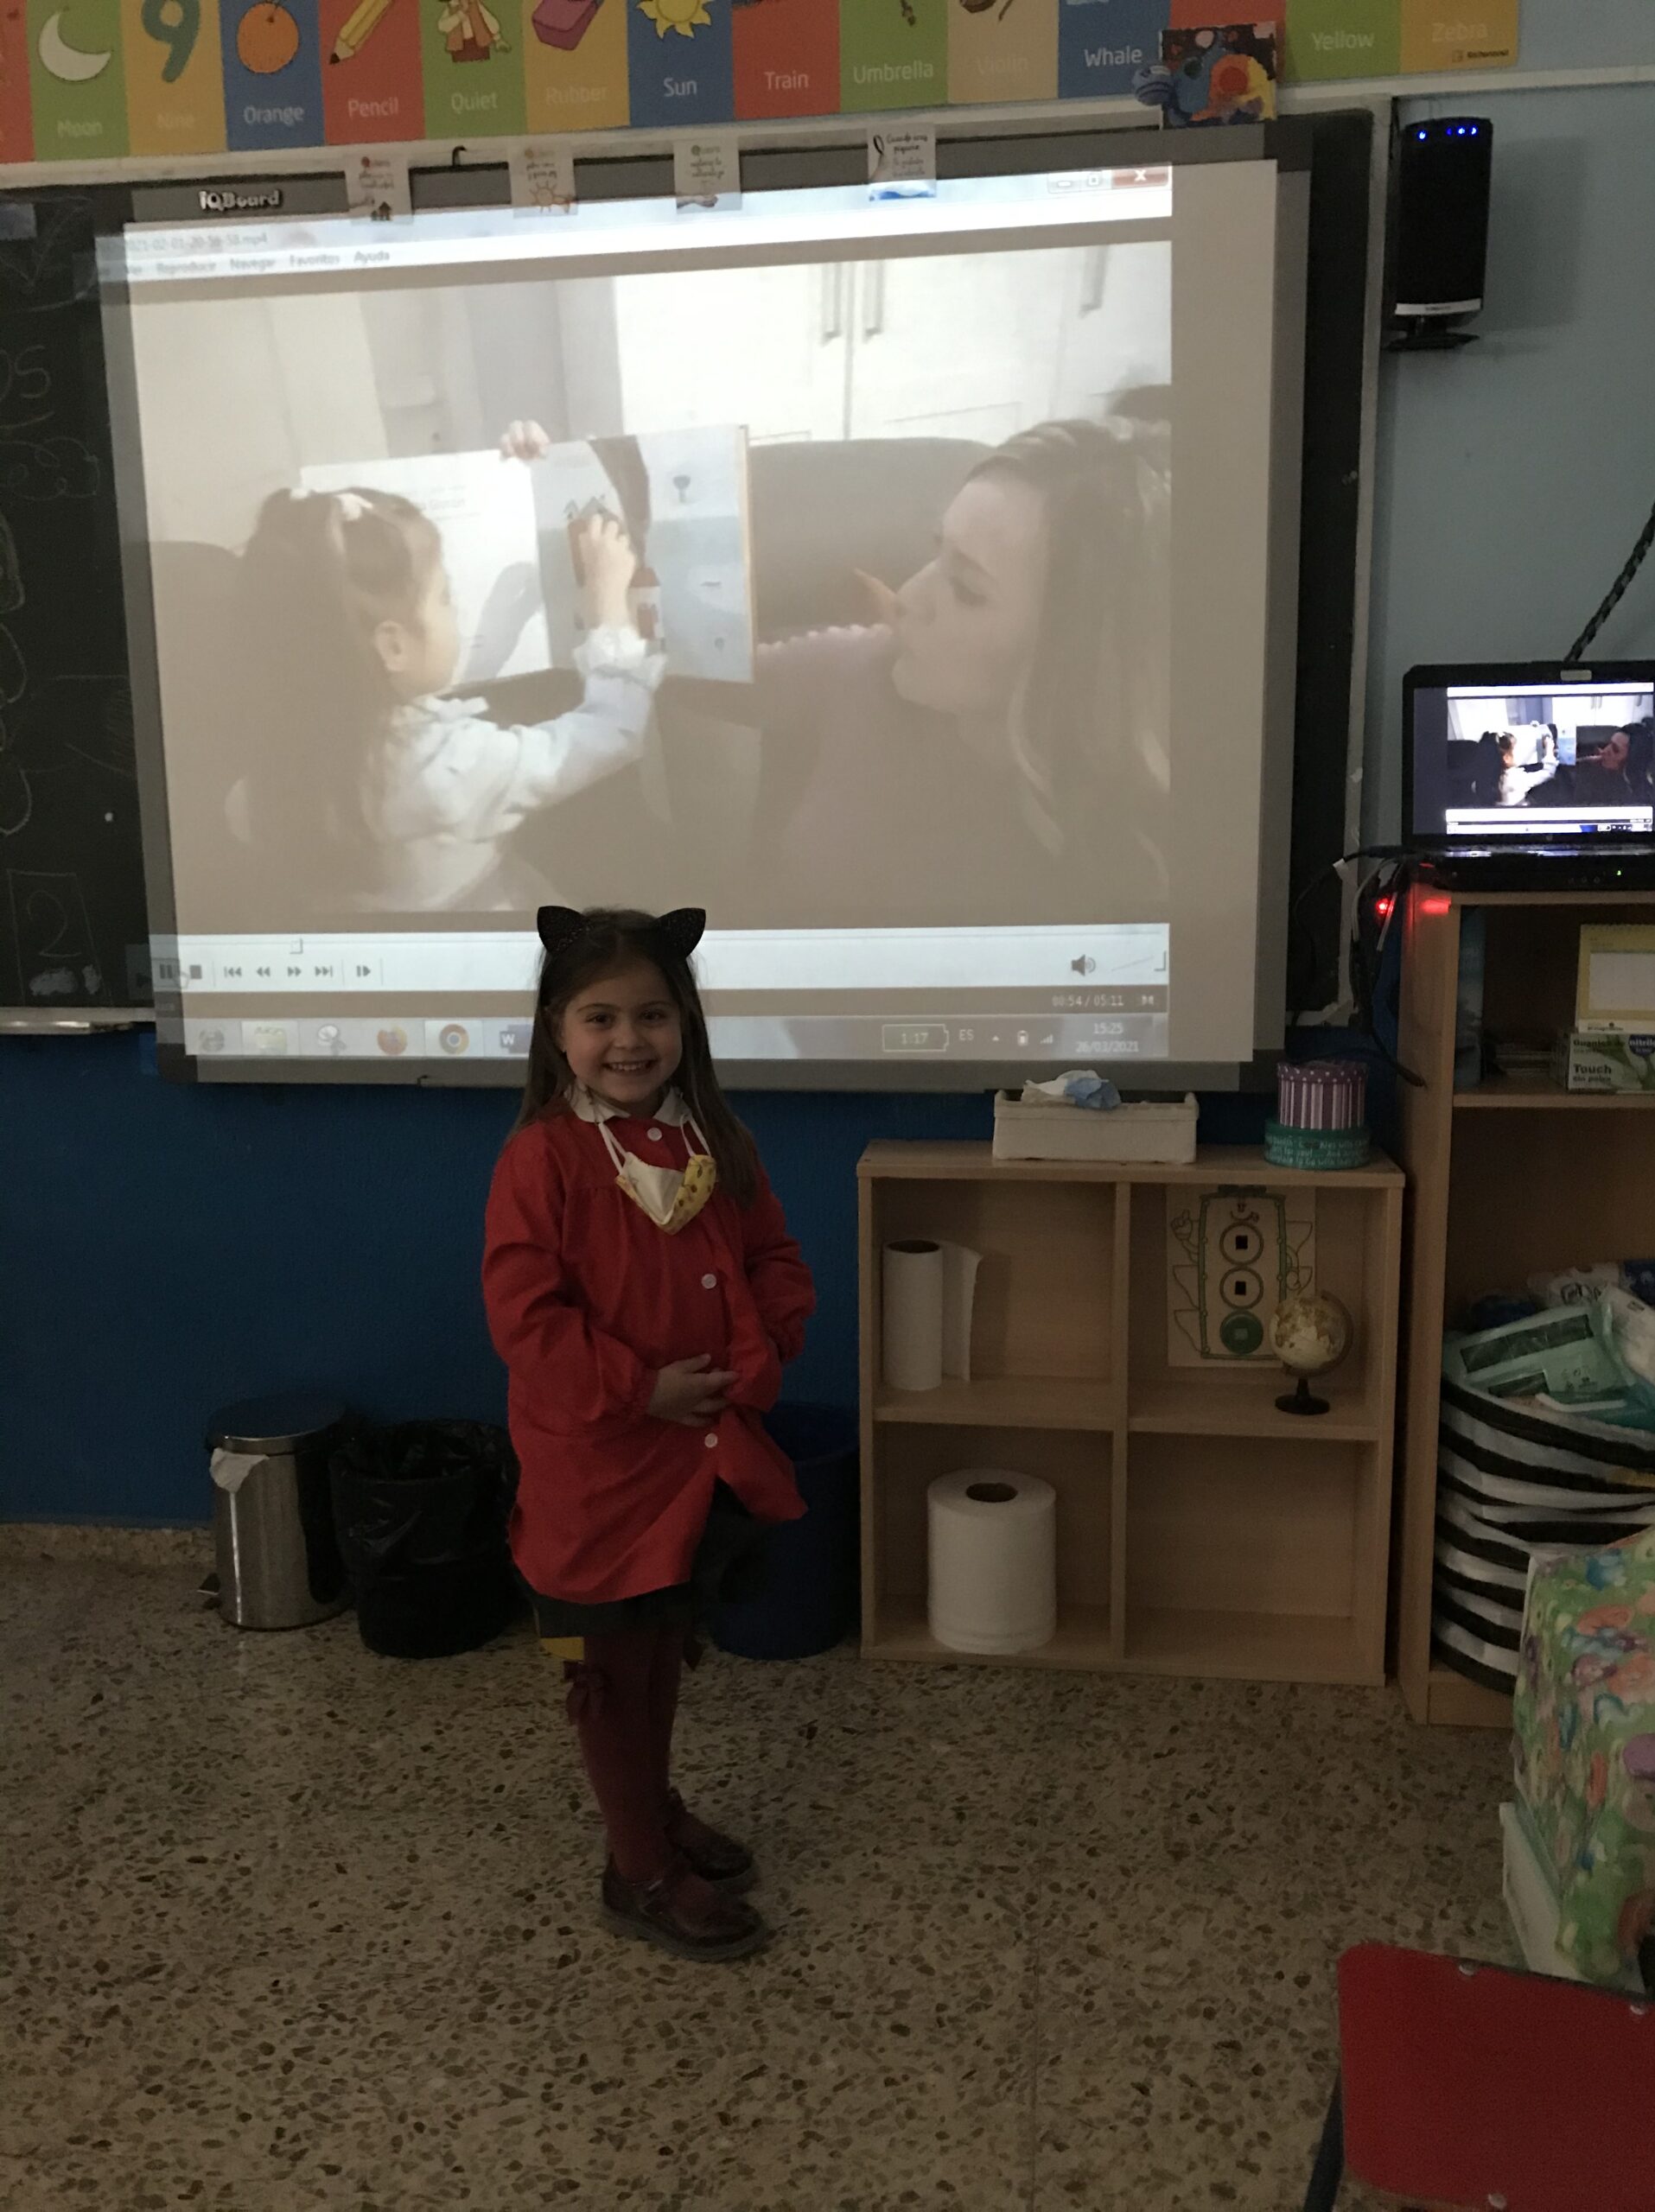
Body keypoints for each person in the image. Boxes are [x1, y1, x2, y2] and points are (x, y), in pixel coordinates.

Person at [482, 905, 814, 1961]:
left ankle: (653, 1809)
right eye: (600, 1017)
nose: (629, 1041)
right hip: (601, 1472)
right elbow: (527, 1321)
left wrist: (751, 1367)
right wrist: (640, 1389)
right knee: (612, 1672)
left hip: (697, 1459)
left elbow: (776, 1263)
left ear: (686, 1024)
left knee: (662, 1651)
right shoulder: (543, 1161)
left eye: (653, 1015)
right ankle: (637, 1867)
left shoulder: (718, 1139)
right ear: (555, 1032)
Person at [743, 415, 1171, 926]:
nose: (905, 597)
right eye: (936, 551)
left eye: (967, 590)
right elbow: (691, 672)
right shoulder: (863, 668)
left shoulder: (1137, 864)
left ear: (1077, 659)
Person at [235, 455, 659, 913]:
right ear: (393, 647)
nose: (455, 611)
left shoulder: (262, 782)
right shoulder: (449, 768)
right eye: (444, 596)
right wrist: (608, 610)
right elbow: (614, 731)